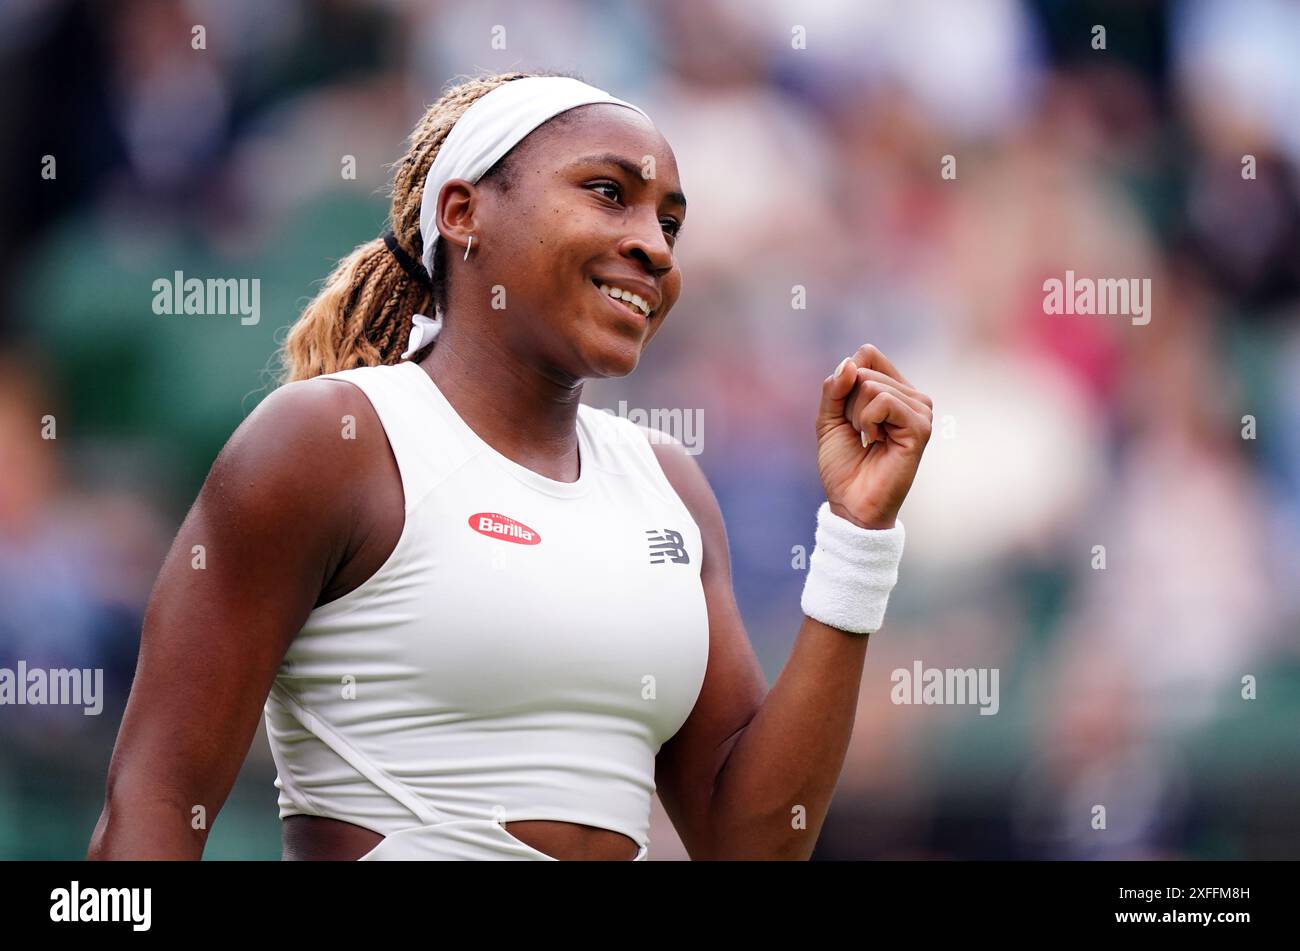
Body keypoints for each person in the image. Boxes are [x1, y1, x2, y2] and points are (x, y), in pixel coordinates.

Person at [86, 70, 933, 861]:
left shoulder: (670, 485)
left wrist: (859, 538)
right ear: (462, 213)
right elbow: (156, 798)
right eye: (610, 195)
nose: (656, 249)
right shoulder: (332, 438)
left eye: (668, 223)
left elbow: (752, 841)